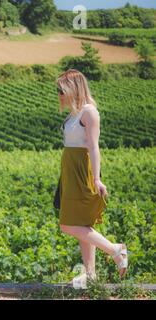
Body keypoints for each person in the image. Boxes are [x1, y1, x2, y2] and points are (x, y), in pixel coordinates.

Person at [57, 69, 128, 289]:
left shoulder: (89, 112)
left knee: (68, 225)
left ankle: (115, 249)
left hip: (82, 169)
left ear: (74, 88)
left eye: (61, 89)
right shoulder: (74, 112)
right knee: (82, 224)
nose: (59, 94)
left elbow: (94, 147)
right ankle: (91, 276)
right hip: (70, 168)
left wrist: (96, 179)